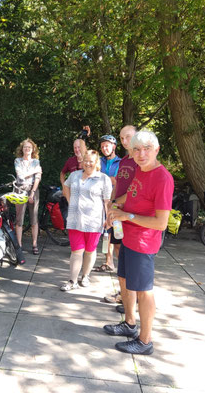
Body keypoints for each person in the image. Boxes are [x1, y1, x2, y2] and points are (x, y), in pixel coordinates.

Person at [103, 130, 174, 355]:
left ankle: (145, 341)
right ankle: (130, 324)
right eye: (136, 150)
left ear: (156, 150)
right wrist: (116, 205)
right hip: (128, 238)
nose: (141, 154)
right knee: (123, 280)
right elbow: (132, 195)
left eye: (146, 149)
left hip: (144, 243)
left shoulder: (162, 178)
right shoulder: (141, 171)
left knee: (144, 291)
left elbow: (161, 223)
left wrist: (128, 216)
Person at [60, 150, 112, 291]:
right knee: (76, 251)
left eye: (91, 161)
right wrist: (70, 201)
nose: (88, 163)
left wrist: (108, 219)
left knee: (90, 250)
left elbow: (107, 201)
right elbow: (66, 186)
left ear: (97, 163)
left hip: (94, 221)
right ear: (82, 161)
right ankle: (72, 281)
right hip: (75, 219)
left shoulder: (103, 179)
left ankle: (86, 276)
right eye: (86, 160)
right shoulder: (75, 175)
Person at [101, 125, 137, 301]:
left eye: (128, 137)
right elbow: (117, 186)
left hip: (130, 216)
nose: (124, 141)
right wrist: (111, 206)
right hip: (117, 214)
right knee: (117, 249)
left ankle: (131, 294)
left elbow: (134, 191)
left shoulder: (139, 162)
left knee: (129, 255)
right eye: (122, 138)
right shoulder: (123, 161)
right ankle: (124, 293)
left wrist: (116, 204)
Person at [94, 134, 121, 271]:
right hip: (101, 201)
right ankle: (108, 261)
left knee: (117, 235)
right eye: (102, 146)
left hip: (116, 202)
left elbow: (117, 181)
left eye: (107, 146)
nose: (105, 148)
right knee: (106, 233)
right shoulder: (99, 161)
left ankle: (122, 266)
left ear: (114, 147)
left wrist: (108, 179)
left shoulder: (121, 162)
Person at [14, 138, 42, 255]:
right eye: (25, 147)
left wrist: (32, 192)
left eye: (29, 147)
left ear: (33, 149)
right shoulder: (17, 160)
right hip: (20, 190)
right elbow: (20, 176)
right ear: (22, 149)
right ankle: (19, 245)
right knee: (19, 219)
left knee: (34, 219)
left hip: (33, 190)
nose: (27, 149)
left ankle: (34, 243)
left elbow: (38, 178)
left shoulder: (36, 162)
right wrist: (33, 171)